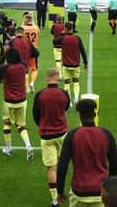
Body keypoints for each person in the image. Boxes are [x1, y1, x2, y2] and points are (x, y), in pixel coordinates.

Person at [57, 99, 117, 207]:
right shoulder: (107, 134)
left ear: (80, 116)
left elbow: (63, 165)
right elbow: (114, 163)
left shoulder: (72, 135)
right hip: (100, 193)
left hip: (78, 192)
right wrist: (109, 188)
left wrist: (60, 191)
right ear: (95, 114)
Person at [33, 68, 70, 207]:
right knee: (63, 165)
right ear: (58, 78)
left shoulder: (40, 95)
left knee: (52, 169)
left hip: (46, 135)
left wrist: (42, 124)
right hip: (62, 134)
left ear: (47, 78)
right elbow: (65, 108)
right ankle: (62, 192)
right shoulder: (64, 94)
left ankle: (55, 200)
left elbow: (36, 114)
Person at [0, 48, 34, 161]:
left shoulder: (5, 69)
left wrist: (3, 55)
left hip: (9, 102)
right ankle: (28, 145)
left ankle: (8, 148)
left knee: (7, 123)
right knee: (21, 125)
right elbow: (23, 62)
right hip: (22, 101)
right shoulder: (23, 67)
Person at [54, 22, 87, 106]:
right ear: (73, 28)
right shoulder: (77, 38)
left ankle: (69, 102)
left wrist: (61, 34)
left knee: (67, 84)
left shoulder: (63, 38)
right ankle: (76, 97)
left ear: (65, 28)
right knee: (76, 82)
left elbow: (54, 41)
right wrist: (85, 62)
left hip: (66, 65)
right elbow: (82, 51)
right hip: (76, 65)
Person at [0, 12, 16, 83]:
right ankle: (1, 77)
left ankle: (10, 77)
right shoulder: (2, 28)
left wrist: (6, 33)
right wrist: (0, 45)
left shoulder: (13, 27)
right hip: (5, 48)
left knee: (12, 64)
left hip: (12, 49)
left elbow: (13, 38)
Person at [22, 12, 41, 93]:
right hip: (34, 50)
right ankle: (32, 83)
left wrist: (25, 20)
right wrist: (32, 20)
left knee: (25, 69)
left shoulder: (22, 28)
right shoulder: (36, 28)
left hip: (25, 50)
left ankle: (27, 88)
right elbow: (38, 32)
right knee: (35, 69)